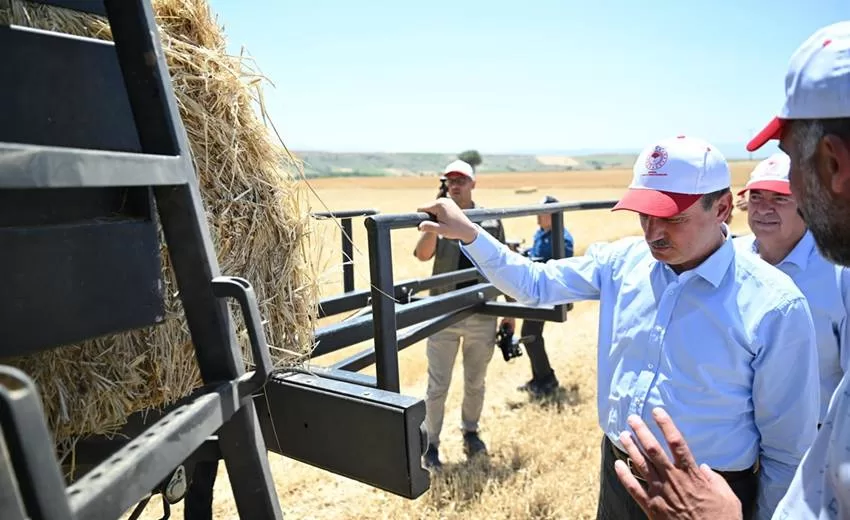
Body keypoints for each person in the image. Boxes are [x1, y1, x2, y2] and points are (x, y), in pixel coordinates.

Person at [416, 135, 820, 520]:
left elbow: (787, 453)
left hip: (709, 496)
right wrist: (468, 232)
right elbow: (535, 284)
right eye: (645, 214)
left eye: (673, 217)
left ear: (722, 208)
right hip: (619, 472)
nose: (653, 232)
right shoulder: (623, 262)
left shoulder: (774, 305)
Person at [610, 20, 850, 520]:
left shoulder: (781, 297)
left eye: (790, 173)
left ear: (835, 163)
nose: (783, 202)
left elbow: (795, 454)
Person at [734, 151, 850, 427]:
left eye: (780, 198)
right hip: (739, 436)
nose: (763, 209)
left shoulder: (839, 272)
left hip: (816, 437)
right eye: (756, 197)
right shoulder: (730, 258)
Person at [412, 159, 513, 471]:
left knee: (475, 381)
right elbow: (422, 255)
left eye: (461, 180)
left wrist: (509, 311)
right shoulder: (436, 219)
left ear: (473, 184)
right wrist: (433, 219)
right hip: (443, 313)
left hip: (482, 313)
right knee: (437, 385)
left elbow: (503, 267)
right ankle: (430, 445)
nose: (456, 185)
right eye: (450, 181)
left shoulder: (490, 221)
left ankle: (471, 433)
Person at [515, 195, 575, 398]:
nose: (537, 217)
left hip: (549, 295)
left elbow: (560, 267)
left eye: (540, 213)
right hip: (536, 292)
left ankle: (546, 380)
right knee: (531, 336)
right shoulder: (541, 233)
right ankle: (540, 379)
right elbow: (536, 254)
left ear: (551, 215)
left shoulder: (562, 238)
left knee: (530, 335)